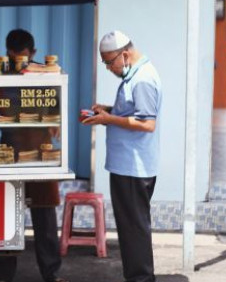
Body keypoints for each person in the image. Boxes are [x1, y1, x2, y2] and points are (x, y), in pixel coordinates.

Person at [0, 29, 66, 282]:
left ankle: (51, 274)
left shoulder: (45, 77)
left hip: (41, 159)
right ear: (7, 54)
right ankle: (1, 275)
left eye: (24, 58)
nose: (19, 63)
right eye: (14, 58)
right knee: (5, 219)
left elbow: (57, 114)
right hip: (8, 158)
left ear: (33, 53)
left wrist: (57, 125)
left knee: (45, 219)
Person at [83, 31, 161, 282]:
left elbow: (147, 123)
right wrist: (108, 111)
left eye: (109, 62)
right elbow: (132, 113)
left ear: (124, 54)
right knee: (130, 230)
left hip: (133, 167)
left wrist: (109, 118)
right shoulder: (134, 76)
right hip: (127, 166)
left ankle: (141, 279)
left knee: (134, 230)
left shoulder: (143, 79)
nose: (108, 68)